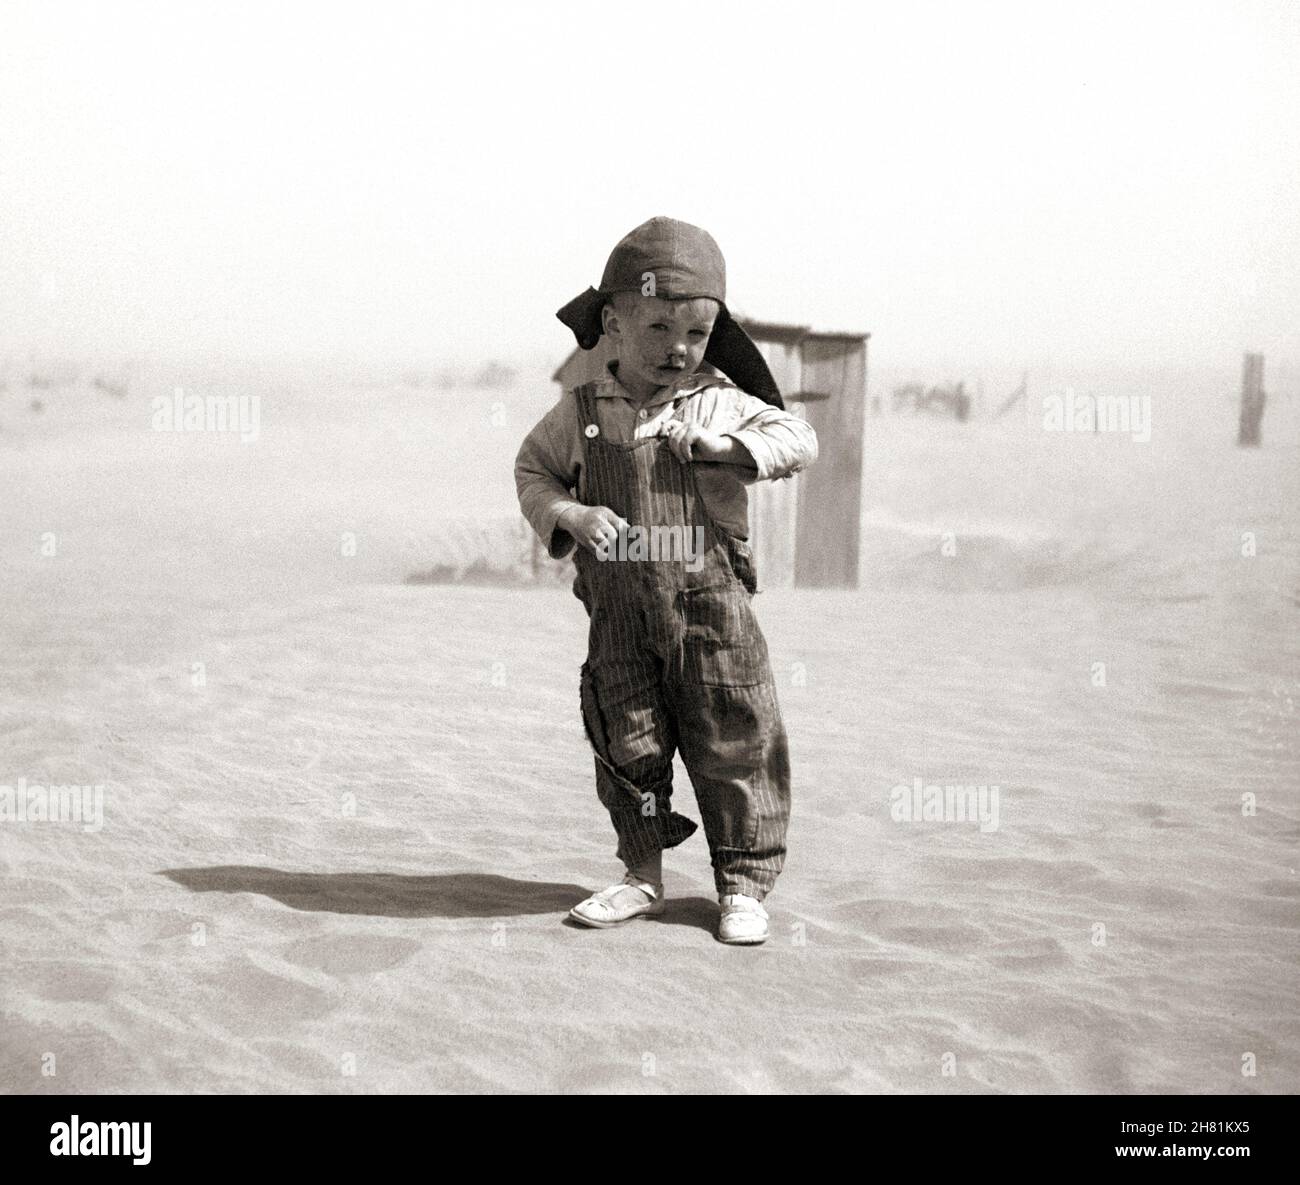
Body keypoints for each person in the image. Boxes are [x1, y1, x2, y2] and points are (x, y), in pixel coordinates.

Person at [514, 217, 817, 944]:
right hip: (619, 620)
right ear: (612, 323)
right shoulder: (581, 413)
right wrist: (572, 512)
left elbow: (798, 438)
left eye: (697, 334)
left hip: (713, 620)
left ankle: (741, 886)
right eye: (657, 328)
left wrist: (727, 447)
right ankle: (641, 876)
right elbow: (533, 471)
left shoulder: (718, 401)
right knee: (629, 744)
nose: (677, 350)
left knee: (734, 742)